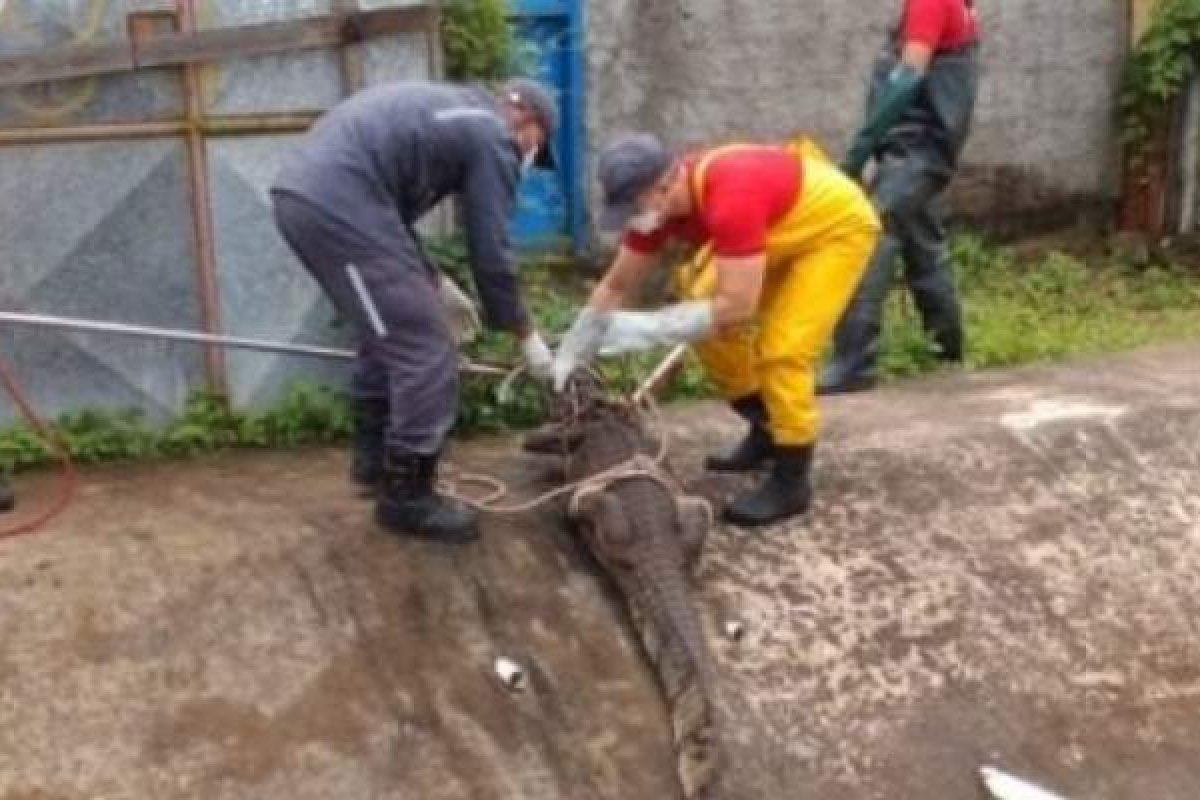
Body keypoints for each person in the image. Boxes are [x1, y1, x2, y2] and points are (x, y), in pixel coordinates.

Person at [271, 78, 559, 544]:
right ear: (527, 118)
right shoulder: (494, 134)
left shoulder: (453, 110)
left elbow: (392, 225)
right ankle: (407, 496)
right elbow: (491, 250)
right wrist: (524, 331)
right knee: (424, 347)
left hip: (318, 195)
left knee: (389, 330)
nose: (528, 156)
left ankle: (374, 464)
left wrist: (433, 281)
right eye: (536, 146)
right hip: (336, 202)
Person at [553, 133, 880, 527]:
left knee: (784, 350)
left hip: (835, 226)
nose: (630, 219)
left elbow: (736, 306)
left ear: (665, 184)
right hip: (778, 220)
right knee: (707, 325)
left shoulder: (730, 197)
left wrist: (649, 328)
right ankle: (766, 429)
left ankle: (792, 479)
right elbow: (616, 284)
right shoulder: (657, 210)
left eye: (632, 207)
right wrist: (578, 340)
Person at [818, 0, 981, 395]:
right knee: (923, 242)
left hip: (917, 153)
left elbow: (908, 77)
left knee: (868, 232)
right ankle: (947, 351)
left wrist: (857, 154)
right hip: (918, 150)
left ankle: (854, 362)